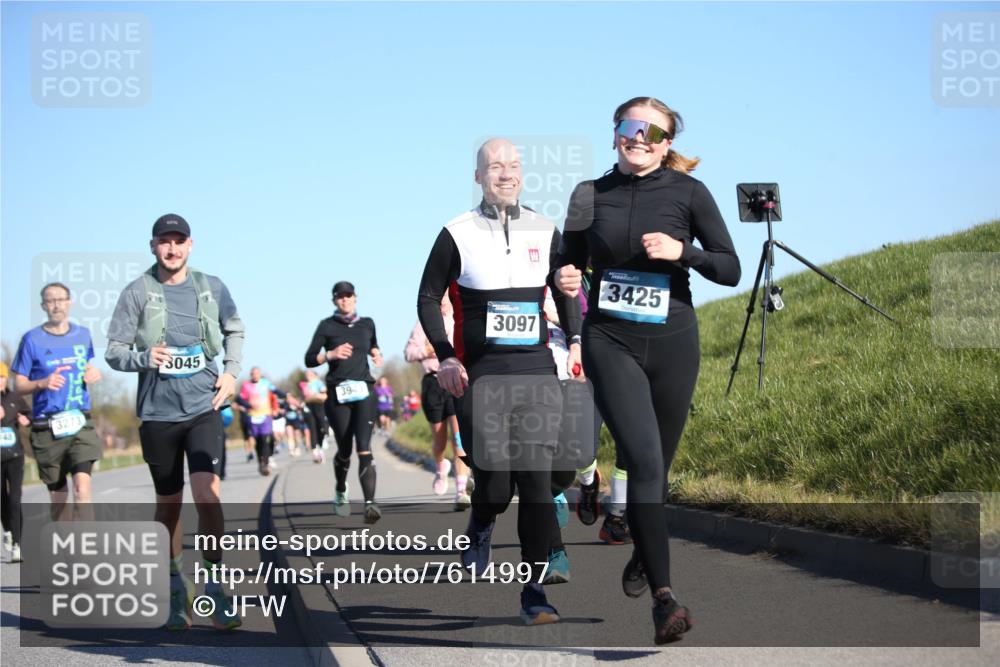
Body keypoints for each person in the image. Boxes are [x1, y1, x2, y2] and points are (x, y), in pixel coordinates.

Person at [552, 97, 741, 644]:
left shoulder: (689, 193)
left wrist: (684, 252)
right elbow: (563, 260)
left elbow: (729, 268)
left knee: (657, 468)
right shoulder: (589, 195)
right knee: (643, 459)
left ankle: (644, 550)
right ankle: (665, 600)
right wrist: (565, 280)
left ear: (666, 143)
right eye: (629, 126)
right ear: (615, 134)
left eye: (652, 130)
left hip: (674, 341)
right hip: (611, 338)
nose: (639, 137)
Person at [417, 138, 581, 625]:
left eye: (512, 166)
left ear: (522, 173)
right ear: (478, 176)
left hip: (535, 371)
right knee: (495, 484)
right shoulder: (455, 232)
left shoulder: (544, 228)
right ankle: (482, 520)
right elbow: (427, 298)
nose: (505, 173)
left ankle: (533, 589)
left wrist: (573, 340)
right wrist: (446, 356)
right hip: (480, 376)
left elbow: (566, 284)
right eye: (494, 166)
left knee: (534, 480)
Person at [106, 213, 245, 632]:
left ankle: (214, 586)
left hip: (204, 407)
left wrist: (232, 371)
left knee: (208, 495)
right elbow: (113, 350)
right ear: (153, 246)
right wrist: (142, 358)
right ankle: (174, 586)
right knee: (168, 505)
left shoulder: (211, 287)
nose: (172, 248)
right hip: (157, 414)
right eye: (164, 241)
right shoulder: (136, 292)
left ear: (190, 245)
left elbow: (234, 328)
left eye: (178, 241)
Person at [12, 282, 103, 519]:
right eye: (50, 301)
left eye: (61, 299)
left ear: (70, 302)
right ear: (43, 305)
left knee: (83, 491)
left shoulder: (83, 335)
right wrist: (41, 382)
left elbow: (87, 367)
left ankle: (87, 550)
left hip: (79, 420)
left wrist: (93, 373)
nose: (56, 305)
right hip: (47, 427)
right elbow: (19, 384)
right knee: (59, 497)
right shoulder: (31, 340)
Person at [304, 281, 384, 523]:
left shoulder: (367, 323)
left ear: (355, 298)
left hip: (364, 392)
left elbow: (373, 344)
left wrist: (376, 353)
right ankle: (340, 488)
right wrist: (330, 354)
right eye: (340, 297)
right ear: (334, 301)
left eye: (348, 296)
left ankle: (370, 504)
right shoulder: (326, 326)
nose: (345, 300)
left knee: (364, 447)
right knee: (345, 450)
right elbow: (309, 358)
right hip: (338, 394)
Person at [404, 294, 472, 510]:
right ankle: (441, 465)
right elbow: (409, 353)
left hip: (457, 380)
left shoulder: (458, 319)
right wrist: (428, 350)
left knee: (458, 435)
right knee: (439, 438)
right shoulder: (423, 323)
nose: (443, 302)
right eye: (440, 298)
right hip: (433, 382)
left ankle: (461, 489)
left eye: (446, 297)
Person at [1, 361, 30, 563]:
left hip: (15, 456)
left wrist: (25, 419)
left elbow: (29, 414)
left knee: (15, 499)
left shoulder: (14, 398)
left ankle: (18, 544)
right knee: (2, 500)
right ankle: (9, 532)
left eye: (1, 377)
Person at [236, 367, 286, 476]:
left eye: (257, 373)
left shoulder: (266, 383)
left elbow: (276, 391)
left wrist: (287, 396)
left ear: (260, 374)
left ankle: (266, 463)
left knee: (265, 439)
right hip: (252, 416)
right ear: (251, 375)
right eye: (253, 373)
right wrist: (249, 405)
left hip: (265, 415)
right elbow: (239, 399)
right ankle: (260, 461)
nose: (255, 375)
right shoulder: (246, 386)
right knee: (258, 441)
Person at [300, 370, 329, 463]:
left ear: (314, 375)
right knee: (312, 428)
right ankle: (315, 451)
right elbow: (303, 397)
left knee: (322, 427)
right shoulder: (303, 384)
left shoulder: (318, 382)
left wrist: (317, 395)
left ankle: (321, 445)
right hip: (308, 407)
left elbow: (324, 393)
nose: (307, 375)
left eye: (309, 374)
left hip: (318, 406)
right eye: (306, 374)